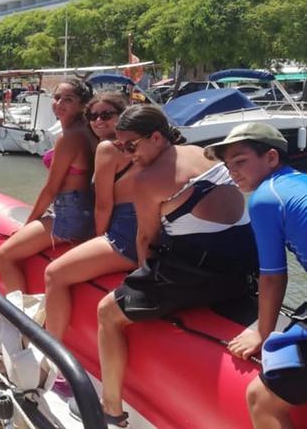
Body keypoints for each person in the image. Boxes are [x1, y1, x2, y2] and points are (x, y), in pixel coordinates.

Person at [89, 105, 258, 427]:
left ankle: (111, 407)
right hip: (244, 269)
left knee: (106, 313)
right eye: (120, 147)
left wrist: (139, 283)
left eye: (130, 146)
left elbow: (146, 241)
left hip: (201, 275)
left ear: (156, 137)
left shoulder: (148, 179)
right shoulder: (200, 152)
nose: (126, 155)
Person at [206, 123, 307, 429]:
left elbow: (273, 276)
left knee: (260, 399)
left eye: (240, 161)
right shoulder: (299, 183)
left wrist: (261, 333)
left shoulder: (267, 197)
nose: (233, 172)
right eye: (228, 166)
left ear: (272, 158)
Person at [43, 92, 140, 342]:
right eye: (93, 116)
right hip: (142, 230)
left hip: (124, 234)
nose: (98, 121)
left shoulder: (109, 148)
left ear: (123, 115)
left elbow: (104, 206)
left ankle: (53, 354)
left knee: (54, 274)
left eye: (107, 115)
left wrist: (95, 241)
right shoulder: (139, 144)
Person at [0, 78, 97, 293]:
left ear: (82, 105)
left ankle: (20, 316)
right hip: (86, 210)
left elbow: (51, 188)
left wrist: (29, 223)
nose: (59, 103)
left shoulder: (69, 138)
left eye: (67, 99)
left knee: (4, 255)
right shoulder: (90, 131)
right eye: (57, 98)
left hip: (69, 215)